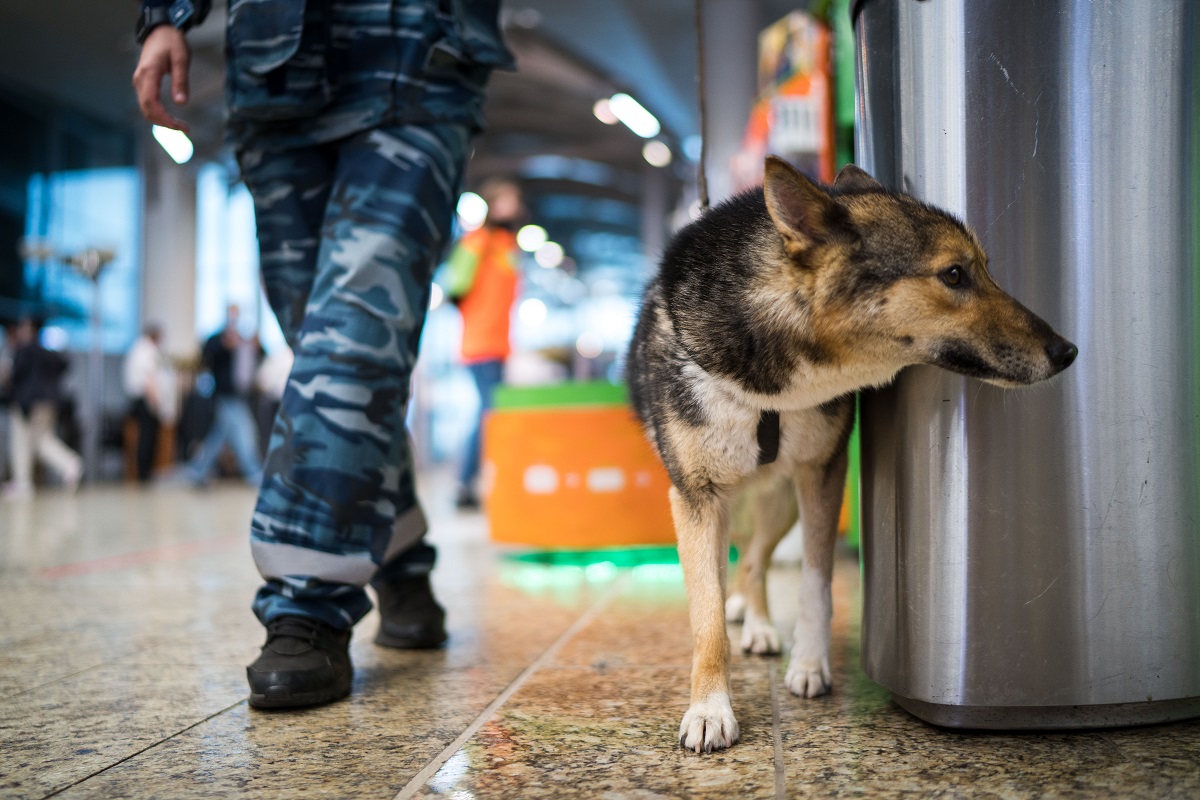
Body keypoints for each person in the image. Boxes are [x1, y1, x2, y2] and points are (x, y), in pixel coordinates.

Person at [132, 0, 514, 708]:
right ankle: (401, 562)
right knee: (323, 350)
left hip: (417, 66)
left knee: (352, 336)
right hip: (276, 72)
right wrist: (165, 16)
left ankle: (305, 604)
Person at [445, 179, 523, 510]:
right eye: (507, 200)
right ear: (492, 204)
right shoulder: (476, 242)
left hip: (499, 344)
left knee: (492, 413)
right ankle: (465, 484)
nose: (513, 206)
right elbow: (455, 287)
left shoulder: (507, 244)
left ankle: (481, 481)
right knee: (488, 413)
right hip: (479, 344)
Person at [181, 305, 263, 487]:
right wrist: (224, 345)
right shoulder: (218, 339)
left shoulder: (243, 338)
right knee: (246, 434)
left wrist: (256, 345)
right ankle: (255, 474)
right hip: (225, 396)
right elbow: (206, 355)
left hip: (240, 395)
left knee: (217, 438)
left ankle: (196, 471)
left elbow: (258, 354)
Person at [2, 318, 82, 500]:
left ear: (29, 329)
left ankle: (22, 484)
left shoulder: (24, 350)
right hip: (51, 402)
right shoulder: (48, 353)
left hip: (27, 403)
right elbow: (65, 366)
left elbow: (15, 375)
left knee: (20, 441)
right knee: (43, 440)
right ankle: (69, 463)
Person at [123, 322, 170, 482]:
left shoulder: (138, 348)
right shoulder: (146, 350)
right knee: (147, 436)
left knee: (146, 435)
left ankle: (144, 472)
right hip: (146, 399)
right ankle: (144, 473)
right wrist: (155, 401)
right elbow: (149, 379)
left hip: (140, 398)